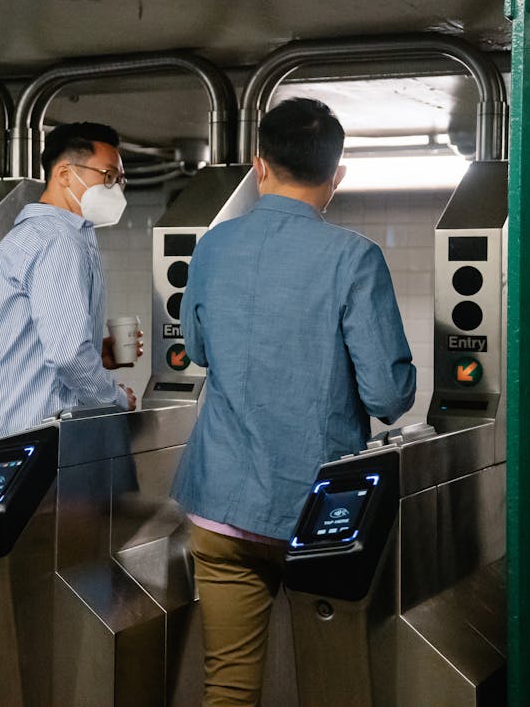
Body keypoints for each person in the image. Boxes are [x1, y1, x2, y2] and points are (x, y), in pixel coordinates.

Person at [170, 98, 415, 706]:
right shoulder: (354, 257)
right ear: (337, 175)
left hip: (220, 505)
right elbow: (388, 396)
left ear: (260, 166)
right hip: (316, 511)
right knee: (335, 683)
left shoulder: (214, 246)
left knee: (227, 688)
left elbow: (197, 350)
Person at [0, 121, 142, 453]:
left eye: (120, 180)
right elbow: (67, 353)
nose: (116, 188)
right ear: (64, 175)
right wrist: (114, 397)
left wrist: (94, 351)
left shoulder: (31, 236)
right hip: (37, 433)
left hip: (10, 429)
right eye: (107, 176)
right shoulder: (58, 240)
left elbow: (46, 342)